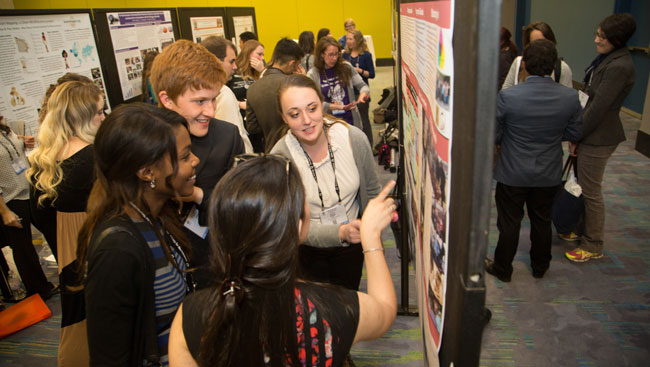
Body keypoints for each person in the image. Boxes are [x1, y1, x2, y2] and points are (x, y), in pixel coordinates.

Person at [167, 155, 397, 366]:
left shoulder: (189, 314)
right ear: (297, 228)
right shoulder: (331, 310)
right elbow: (385, 310)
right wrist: (371, 239)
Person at [78, 103, 198, 366]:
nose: (195, 161)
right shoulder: (117, 251)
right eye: (186, 155)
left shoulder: (158, 216)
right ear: (147, 172)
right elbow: (110, 356)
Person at [485, 39, 582, 281]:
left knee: (509, 222)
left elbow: (494, 134)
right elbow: (574, 132)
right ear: (554, 67)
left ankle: (503, 269)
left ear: (524, 65)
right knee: (542, 219)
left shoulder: (508, 96)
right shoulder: (571, 97)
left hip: (512, 171)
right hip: (548, 170)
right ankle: (540, 267)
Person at [271, 74, 380, 291]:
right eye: (294, 114)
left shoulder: (353, 139)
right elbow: (288, 226)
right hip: (307, 250)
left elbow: (371, 191)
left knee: (349, 302)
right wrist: (339, 233)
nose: (306, 120)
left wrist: (371, 234)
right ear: (284, 117)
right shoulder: (280, 158)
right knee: (318, 312)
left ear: (322, 105)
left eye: (312, 109)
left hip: (352, 245)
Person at [151, 39, 244, 288]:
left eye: (214, 99)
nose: (211, 111)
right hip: (159, 261)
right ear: (167, 99)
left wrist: (196, 194)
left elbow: (237, 202)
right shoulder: (143, 140)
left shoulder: (227, 136)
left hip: (212, 259)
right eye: (200, 101)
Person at [27, 80, 105, 366]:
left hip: (68, 266)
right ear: (82, 118)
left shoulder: (42, 166)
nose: (104, 118)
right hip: (99, 263)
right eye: (99, 112)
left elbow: (42, 220)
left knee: (76, 329)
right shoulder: (95, 161)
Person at [565, 13, 636, 262]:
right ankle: (583, 229)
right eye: (597, 33)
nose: (596, 39)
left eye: (602, 37)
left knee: (591, 191)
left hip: (600, 135)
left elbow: (597, 109)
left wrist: (575, 135)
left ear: (616, 39)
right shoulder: (608, 58)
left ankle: (593, 243)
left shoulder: (619, 66)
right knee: (584, 185)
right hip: (592, 131)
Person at [31, 73, 93, 262]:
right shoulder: (88, 159)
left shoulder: (42, 160)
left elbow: (38, 217)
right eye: (97, 111)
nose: (104, 117)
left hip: (68, 261)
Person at [0, 115, 53, 302]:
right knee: (23, 248)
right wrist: (4, 211)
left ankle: (44, 285)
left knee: (46, 231)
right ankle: (37, 291)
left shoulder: (5, 127)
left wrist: (22, 143)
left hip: (27, 190)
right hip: (10, 199)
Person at [246, 38, 305, 153]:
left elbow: (252, 127)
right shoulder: (292, 84)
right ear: (292, 63)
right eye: (296, 65)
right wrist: (304, 80)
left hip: (271, 150)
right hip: (296, 148)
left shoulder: (252, 88)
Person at [200, 36, 254, 153]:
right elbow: (233, 141)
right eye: (231, 62)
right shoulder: (223, 93)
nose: (235, 67)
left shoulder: (201, 90)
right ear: (216, 62)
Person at [307, 37, 369, 131]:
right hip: (328, 124)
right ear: (321, 55)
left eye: (337, 54)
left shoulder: (346, 67)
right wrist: (341, 107)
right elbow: (313, 104)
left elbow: (363, 86)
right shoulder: (313, 74)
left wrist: (363, 95)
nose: (334, 58)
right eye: (331, 55)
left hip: (350, 121)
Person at [501, 21, 573, 90]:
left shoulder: (562, 68)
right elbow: (506, 91)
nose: (539, 47)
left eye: (543, 42)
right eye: (535, 43)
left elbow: (566, 97)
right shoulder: (518, 63)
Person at [343, 29, 375, 145]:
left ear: (358, 40)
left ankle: (368, 145)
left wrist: (358, 71)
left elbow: (372, 74)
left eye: (351, 39)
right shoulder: (345, 55)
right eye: (347, 39)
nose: (348, 41)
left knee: (364, 120)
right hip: (349, 92)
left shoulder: (366, 55)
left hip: (361, 92)